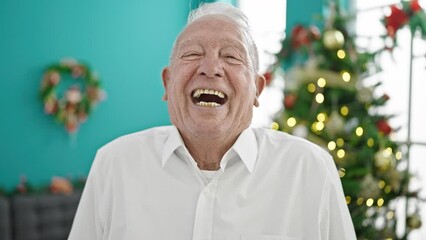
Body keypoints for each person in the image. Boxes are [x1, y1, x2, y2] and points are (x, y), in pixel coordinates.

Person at [69, 2, 356, 240]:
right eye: (193, 54)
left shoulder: (310, 169)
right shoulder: (114, 163)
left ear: (257, 88)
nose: (210, 68)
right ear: (167, 83)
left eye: (231, 56)